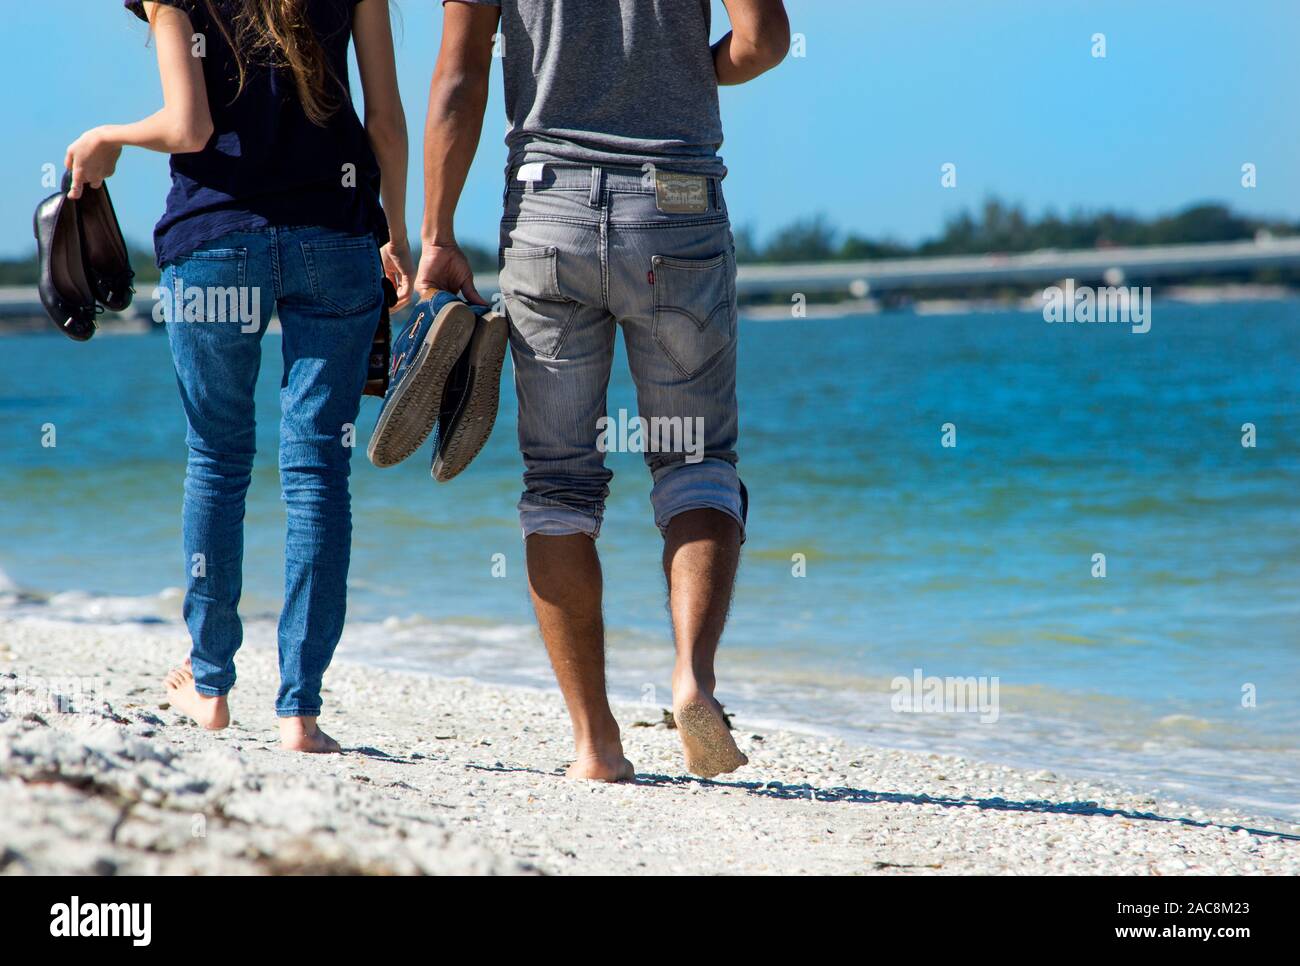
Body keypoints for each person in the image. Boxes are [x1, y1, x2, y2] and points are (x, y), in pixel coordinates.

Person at [418, 0, 790, 780]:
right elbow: (764, 44)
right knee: (696, 463)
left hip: (546, 208)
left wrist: (438, 237)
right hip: (676, 204)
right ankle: (693, 677)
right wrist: (691, 68)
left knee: (557, 483)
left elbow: (461, 72)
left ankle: (596, 744)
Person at [65, 0, 414, 752]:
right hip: (337, 239)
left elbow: (188, 129)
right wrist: (403, 233)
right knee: (318, 470)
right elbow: (385, 120)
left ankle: (213, 686)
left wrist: (106, 138)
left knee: (218, 461)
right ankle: (300, 713)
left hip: (216, 241)